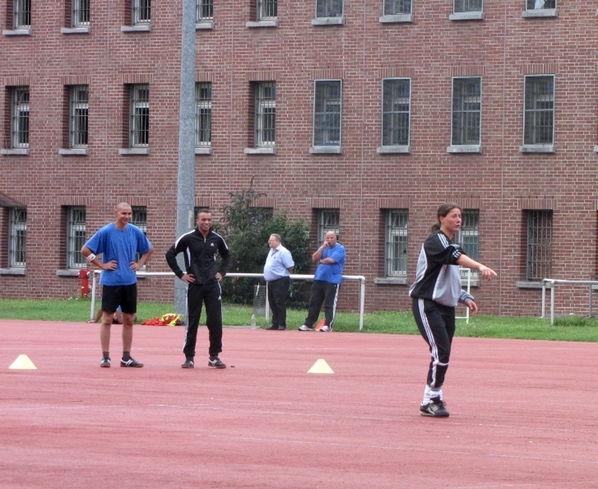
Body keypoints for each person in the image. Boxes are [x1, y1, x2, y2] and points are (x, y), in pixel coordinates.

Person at [409, 203, 497, 418]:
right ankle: (431, 398)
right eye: (454, 216)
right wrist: (479, 266)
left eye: (460, 216)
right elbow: (454, 256)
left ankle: (432, 398)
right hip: (427, 303)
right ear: (441, 218)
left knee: (442, 352)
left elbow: (448, 278)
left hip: (446, 307)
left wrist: (463, 296)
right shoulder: (436, 240)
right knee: (441, 350)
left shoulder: (450, 244)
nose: (458, 220)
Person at [80, 202, 153, 368]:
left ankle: (126, 357)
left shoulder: (135, 231)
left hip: (129, 281)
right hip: (111, 282)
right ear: (116, 213)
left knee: (129, 319)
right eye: (124, 214)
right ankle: (105, 356)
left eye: (129, 214)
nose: (127, 217)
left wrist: (140, 263)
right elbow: (85, 250)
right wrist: (102, 265)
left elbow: (148, 249)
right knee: (106, 319)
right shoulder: (106, 232)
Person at [165, 209, 231, 369]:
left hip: (212, 286)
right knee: (193, 321)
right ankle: (189, 357)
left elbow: (227, 255)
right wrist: (181, 274)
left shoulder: (217, 238)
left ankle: (214, 356)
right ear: (197, 221)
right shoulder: (188, 238)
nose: (206, 223)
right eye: (203, 220)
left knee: (215, 321)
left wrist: (222, 272)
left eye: (209, 219)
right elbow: (170, 254)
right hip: (194, 285)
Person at [298, 231, 346, 332]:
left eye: (331, 238)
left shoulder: (340, 248)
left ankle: (328, 325)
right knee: (314, 302)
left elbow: (332, 260)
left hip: (332, 280)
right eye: (327, 238)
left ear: (336, 238)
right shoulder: (324, 248)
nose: (329, 240)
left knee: (330, 303)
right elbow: (314, 258)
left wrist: (322, 261)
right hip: (319, 278)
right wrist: (322, 248)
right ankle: (308, 324)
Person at [263, 234, 295, 330]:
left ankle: (282, 323)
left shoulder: (284, 252)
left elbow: (290, 266)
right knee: (272, 302)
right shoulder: (271, 251)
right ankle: (275, 323)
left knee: (279, 302)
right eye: (269, 240)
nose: (269, 242)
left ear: (278, 241)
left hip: (280, 280)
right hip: (271, 281)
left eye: (271, 240)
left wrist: (281, 274)